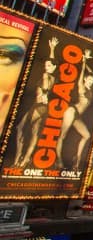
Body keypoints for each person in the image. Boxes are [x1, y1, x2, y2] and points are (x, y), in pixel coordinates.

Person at [13, 37, 56, 168]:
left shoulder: (47, 76)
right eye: (45, 65)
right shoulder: (51, 75)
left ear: (54, 67)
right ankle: (25, 159)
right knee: (32, 133)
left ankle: (19, 160)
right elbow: (52, 62)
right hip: (40, 107)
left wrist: (44, 94)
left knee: (23, 130)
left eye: (49, 66)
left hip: (39, 107)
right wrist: (52, 49)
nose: (46, 66)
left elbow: (46, 86)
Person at [55, 51, 93, 170]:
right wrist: (83, 63)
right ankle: (59, 160)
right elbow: (82, 76)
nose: (90, 82)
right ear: (85, 80)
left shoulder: (90, 88)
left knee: (87, 135)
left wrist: (86, 61)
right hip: (72, 111)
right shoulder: (81, 87)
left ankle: (76, 160)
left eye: (91, 81)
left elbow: (91, 72)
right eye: (88, 80)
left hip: (77, 116)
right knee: (62, 136)